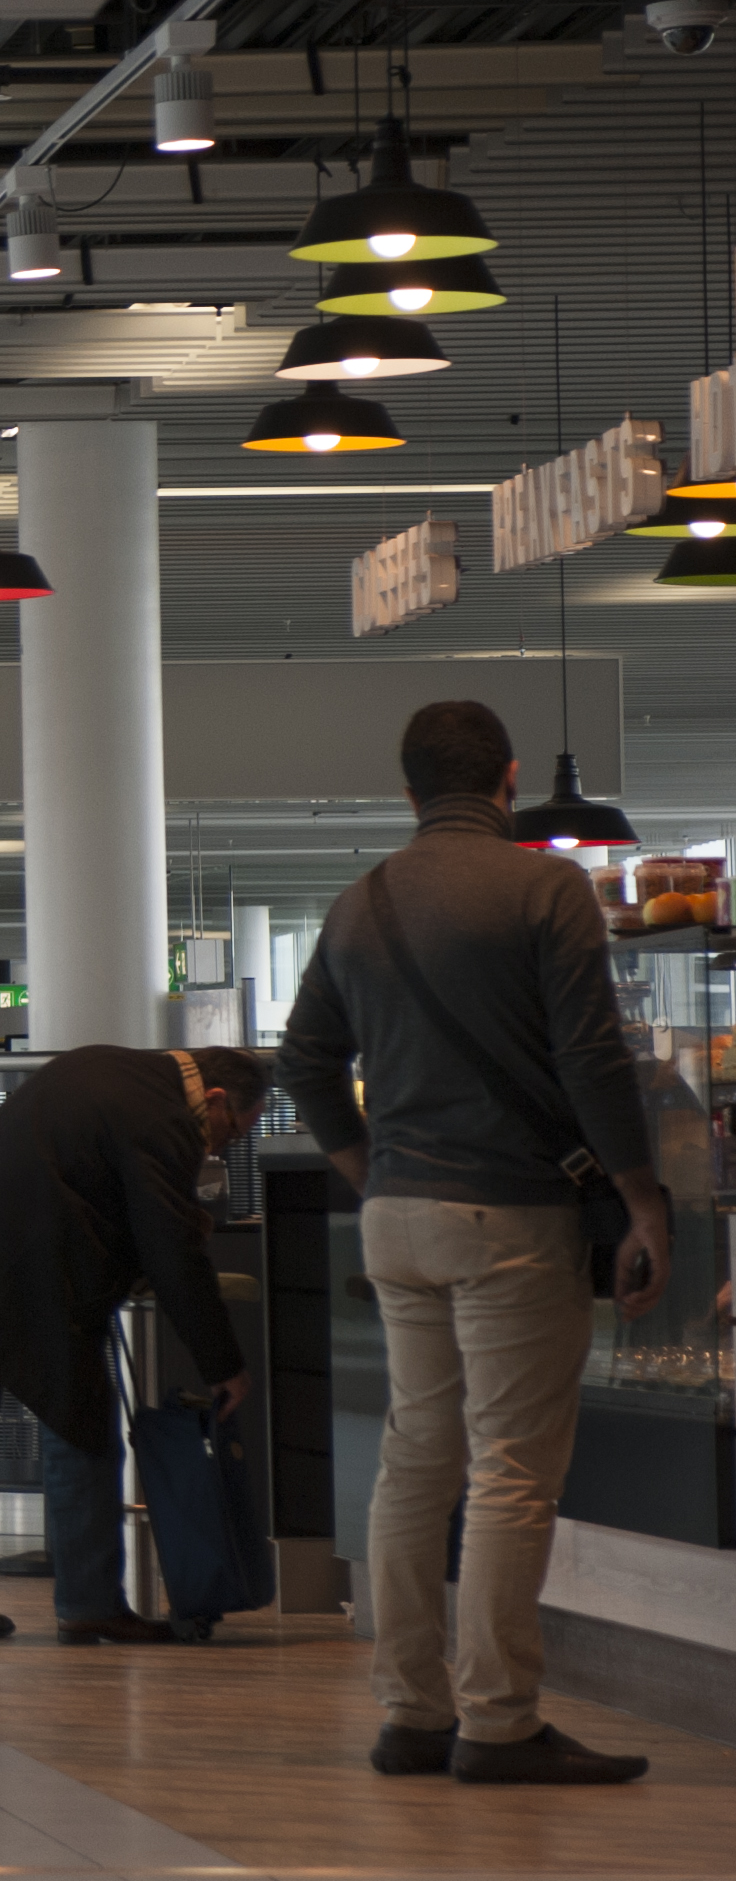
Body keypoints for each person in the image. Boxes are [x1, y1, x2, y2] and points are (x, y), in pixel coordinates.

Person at [279, 700, 675, 1786]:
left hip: (395, 1221)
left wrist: (371, 1173)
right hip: (505, 1218)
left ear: (407, 792)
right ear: (505, 781)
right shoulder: (543, 888)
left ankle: (410, 1713)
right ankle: (496, 1723)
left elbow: (303, 1063)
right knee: (508, 1471)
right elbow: (592, 1063)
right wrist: (640, 1200)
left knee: (415, 1460)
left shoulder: (357, 904)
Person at [0, 1043, 270, 1646]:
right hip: (35, 1273)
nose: (221, 1146)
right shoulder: (163, 1116)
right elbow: (170, 1247)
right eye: (232, 1130)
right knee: (82, 1432)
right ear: (213, 1097)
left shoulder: (109, 1066)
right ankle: (90, 1603)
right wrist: (223, 1364)